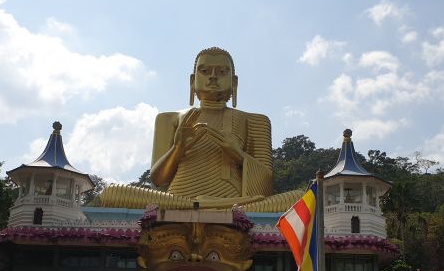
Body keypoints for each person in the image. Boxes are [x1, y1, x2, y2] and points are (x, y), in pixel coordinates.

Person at [99, 47, 299, 212]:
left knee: (299, 199)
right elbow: (158, 180)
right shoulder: (169, 119)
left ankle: (204, 206)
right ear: (192, 81)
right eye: (205, 71)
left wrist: (239, 155)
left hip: (238, 202)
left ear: (234, 82)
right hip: (177, 199)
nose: (213, 77)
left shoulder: (255, 121)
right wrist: (177, 149)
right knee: (111, 193)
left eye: (222, 72)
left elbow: (266, 186)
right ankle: (200, 205)